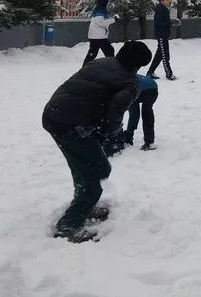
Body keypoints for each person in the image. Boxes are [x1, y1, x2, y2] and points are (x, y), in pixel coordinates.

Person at [42, 40, 152, 242]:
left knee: (81, 166)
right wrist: (110, 133)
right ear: (139, 65)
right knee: (98, 170)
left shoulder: (101, 62)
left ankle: (84, 204)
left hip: (52, 115)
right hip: (73, 125)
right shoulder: (131, 82)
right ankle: (69, 225)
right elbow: (117, 108)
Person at [82, 0, 119, 67]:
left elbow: (100, 20)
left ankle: (84, 68)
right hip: (99, 36)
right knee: (109, 51)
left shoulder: (99, 8)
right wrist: (114, 20)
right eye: (108, 0)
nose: (109, 2)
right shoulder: (101, 9)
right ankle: (111, 68)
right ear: (104, 0)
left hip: (95, 35)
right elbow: (100, 22)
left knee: (92, 53)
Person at [146, 0, 177, 80]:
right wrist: (170, 22)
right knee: (165, 56)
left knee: (160, 55)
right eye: (167, 0)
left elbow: (164, 21)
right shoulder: (160, 9)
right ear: (161, 1)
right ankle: (169, 74)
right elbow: (159, 23)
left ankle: (150, 72)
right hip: (161, 35)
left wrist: (171, 21)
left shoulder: (163, 9)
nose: (169, 1)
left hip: (163, 35)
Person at [125, 74, 158, 151]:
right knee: (142, 112)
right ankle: (148, 141)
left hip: (146, 90)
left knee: (139, 113)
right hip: (150, 87)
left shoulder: (122, 80)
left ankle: (130, 138)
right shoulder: (126, 74)